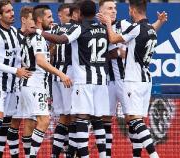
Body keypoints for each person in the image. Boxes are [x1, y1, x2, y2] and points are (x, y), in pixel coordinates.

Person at [28, 1, 111, 157]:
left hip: (74, 79)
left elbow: (61, 41)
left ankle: (70, 154)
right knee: (94, 119)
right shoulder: (104, 29)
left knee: (75, 119)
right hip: (97, 80)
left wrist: (39, 32)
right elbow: (113, 49)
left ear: (78, 13)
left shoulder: (71, 29)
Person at [97, 1, 167, 158]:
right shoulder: (95, 28)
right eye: (110, 8)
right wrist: (113, 53)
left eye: (115, 8)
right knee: (109, 118)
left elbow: (138, 32)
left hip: (128, 80)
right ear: (100, 11)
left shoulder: (126, 24)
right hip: (110, 81)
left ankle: (149, 154)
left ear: (132, 10)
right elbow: (146, 31)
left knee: (133, 119)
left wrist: (118, 51)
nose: (114, 11)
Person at [21, 4, 72, 158]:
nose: (52, 20)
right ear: (39, 19)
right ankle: (32, 156)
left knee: (30, 122)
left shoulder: (33, 36)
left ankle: (28, 154)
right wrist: (61, 74)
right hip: (35, 84)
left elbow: (39, 57)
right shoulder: (38, 37)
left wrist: (51, 49)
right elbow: (41, 62)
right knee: (44, 121)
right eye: (49, 17)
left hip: (28, 84)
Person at [0, 0, 31, 157]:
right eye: (8, 11)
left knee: (5, 125)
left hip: (12, 85)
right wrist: (16, 70)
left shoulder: (14, 33)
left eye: (12, 10)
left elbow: (19, 58)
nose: (12, 14)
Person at [51, 3, 80, 158]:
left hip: (55, 75)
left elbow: (50, 52)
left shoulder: (54, 30)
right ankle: (71, 154)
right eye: (69, 14)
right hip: (68, 75)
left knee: (63, 116)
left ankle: (56, 153)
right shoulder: (76, 29)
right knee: (73, 116)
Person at [6, 6, 36, 158]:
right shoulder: (13, 36)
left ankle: (29, 155)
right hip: (16, 86)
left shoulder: (37, 36)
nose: (35, 23)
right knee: (14, 123)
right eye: (32, 19)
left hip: (32, 85)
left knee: (31, 121)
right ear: (23, 19)